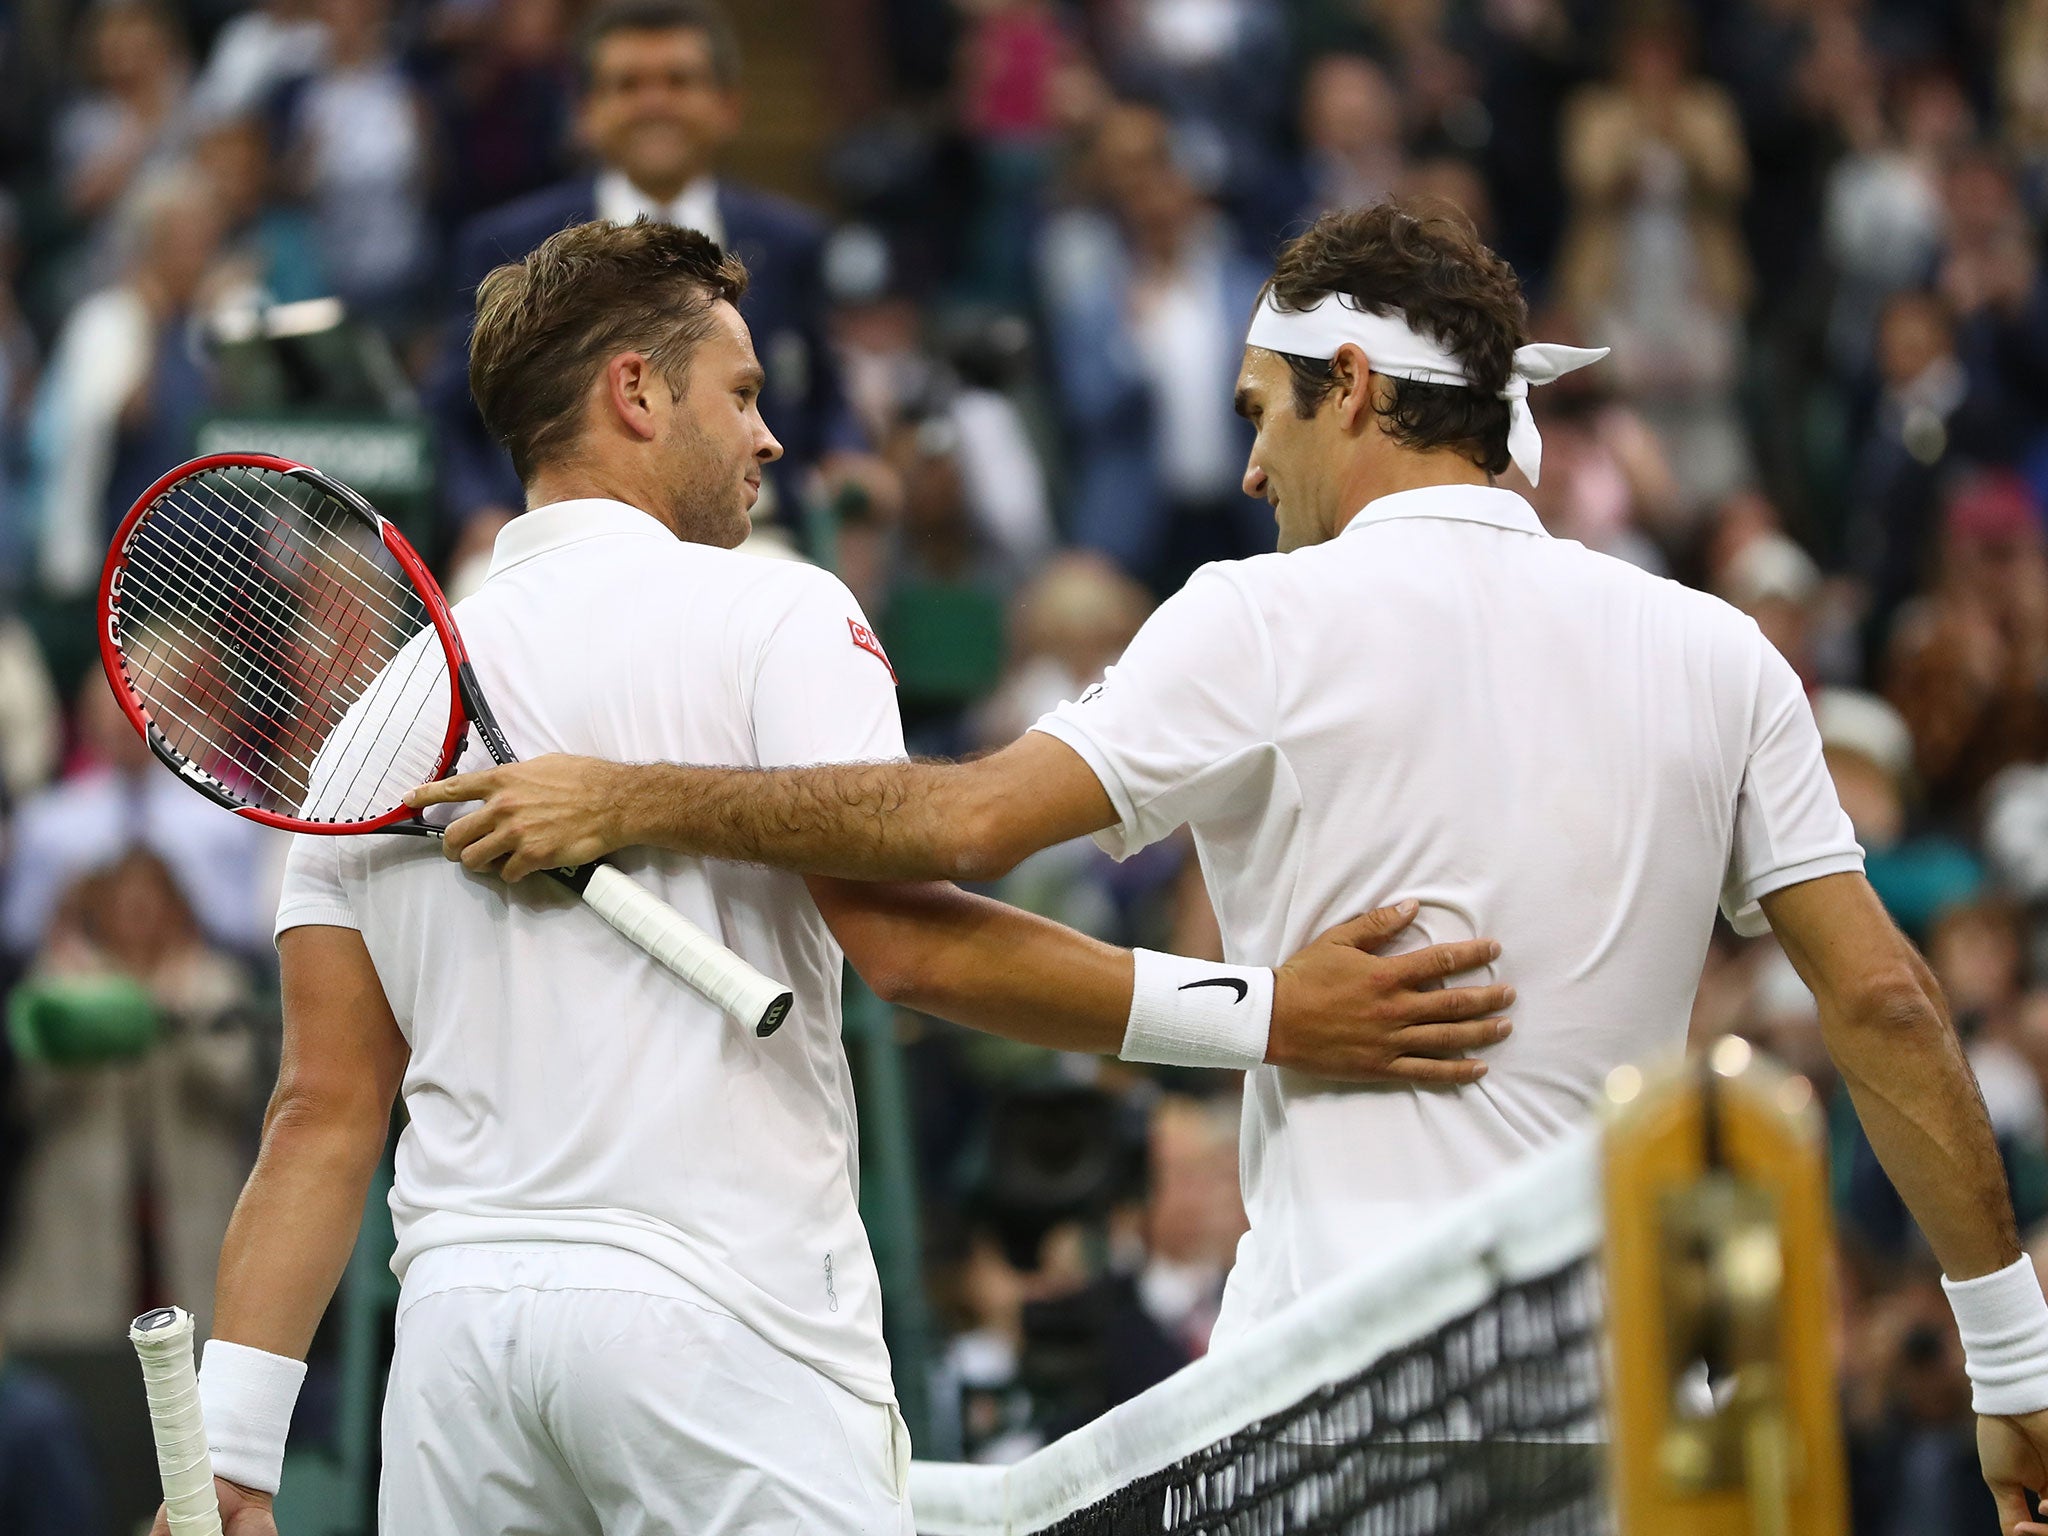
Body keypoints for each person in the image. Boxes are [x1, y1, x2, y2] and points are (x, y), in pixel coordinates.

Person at [419, 202, 2048, 1528]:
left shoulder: (1256, 619)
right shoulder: (1720, 654)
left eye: (1262, 417)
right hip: (1664, 1408)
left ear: (1349, 384)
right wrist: (2011, 1365)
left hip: (1354, 1411)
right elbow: (1890, 1011)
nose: (1252, 473)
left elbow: (950, 826)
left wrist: (617, 792)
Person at [162, 218, 1514, 1536]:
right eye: (741, 394)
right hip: (723, 1334)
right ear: (635, 393)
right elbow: (917, 952)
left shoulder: (374, 718)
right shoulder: (779, 607)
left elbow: (322, 1115)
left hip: (461, 1360)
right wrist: (1265, 1017)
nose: (770, 437)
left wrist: (231, 1451)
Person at [429, 0, 859, 543]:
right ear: (584, 110)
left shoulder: (792, 241)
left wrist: (851, 460)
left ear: (729, 105)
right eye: (628, 84)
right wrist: (478, 514)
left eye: (678, 81)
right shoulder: (507, 244)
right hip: (550, 541)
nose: (655, 104)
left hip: (753, 541)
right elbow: (449, 414)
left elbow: (826, 398)